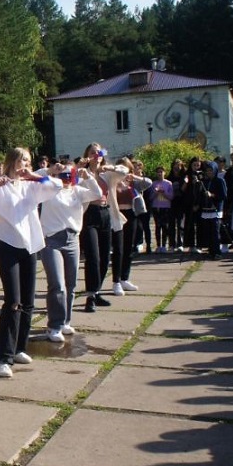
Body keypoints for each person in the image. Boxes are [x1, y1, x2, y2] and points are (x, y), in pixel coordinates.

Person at [0, 148, 62, 378]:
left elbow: (57, 186)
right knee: (13, 301)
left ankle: (19, 347)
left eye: (28, 161)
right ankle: (1, 357)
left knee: (28, 302)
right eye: (21, 161)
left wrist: (36, 176)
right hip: (6, 245)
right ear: (11, 162)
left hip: (29, 245)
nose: (25, 165)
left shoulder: (32, 186)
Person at [39, 163, 101, 343]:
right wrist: (51, 170)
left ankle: (66, 320)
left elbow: (97, 195)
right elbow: (33, 177)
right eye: (62, 175)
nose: (66, 179)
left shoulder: (78, 191)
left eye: (69, 176)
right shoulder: (49, 189)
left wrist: (88, 176)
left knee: (71, 283)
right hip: (51, 240)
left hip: (72, 239)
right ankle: (54, 325)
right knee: (57, 284)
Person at [79, 143, 128, 312]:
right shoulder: (83, 173)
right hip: (89, 215)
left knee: (105, 257)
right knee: (92, 257)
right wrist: (81, 168)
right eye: (92, 152)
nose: (96, 154)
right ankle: (90, 296)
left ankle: (97, 291)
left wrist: (107, 166)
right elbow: (72, 181)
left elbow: (125, 171)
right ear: (87, 155)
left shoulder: (107, 174)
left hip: (106, 214)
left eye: (98, 152)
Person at [111, 157, 151, 296]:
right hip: (117, 215)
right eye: (121, 167)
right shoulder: (113, 182)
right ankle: (116, 281)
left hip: (131, 215)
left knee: (129, 248)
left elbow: (149, 183)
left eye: (126, 168)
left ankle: (124, 278)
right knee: (118, 249)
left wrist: (134, 176)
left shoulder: (133, 183)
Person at [199, 161, 228, 259]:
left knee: (215, 232)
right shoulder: (204, 182)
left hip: (216, 210)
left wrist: (212, 195)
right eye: (207, 171)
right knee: (208, 232)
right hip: (206, 210)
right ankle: (211, 251)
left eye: (211, 170)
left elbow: (223, 196)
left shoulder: (220, 181)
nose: (209, 172)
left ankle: (217, 252)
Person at [181, 157, 205, 254]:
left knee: (200, 225)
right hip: (189, 203)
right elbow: (182, 189)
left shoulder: (202, 175)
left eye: (198, 165)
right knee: (189, 225)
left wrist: (198, 182)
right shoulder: (187, 175)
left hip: (200, 203)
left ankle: (200, 244)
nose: (196, 167)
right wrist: (187, 182)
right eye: (194, 165)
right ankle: (190, 245)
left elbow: (204, 189)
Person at [150, 166, 174, 253]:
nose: (160, 174)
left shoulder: (169, 183)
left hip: (166, 207)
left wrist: (164, 193)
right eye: (158, 172)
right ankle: (158, 245)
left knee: (165, 227)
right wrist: (156, 193)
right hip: (156, 207)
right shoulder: (153, 184)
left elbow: (171, 197)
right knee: (157, 226)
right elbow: (151, 197)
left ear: (164, 173)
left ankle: (164, 245)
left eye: (161, 172)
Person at [168, 158, 186, 251]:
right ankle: (171, 244)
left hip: (181, 203)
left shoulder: (184, 177)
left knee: (180, 224)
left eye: (179, 165)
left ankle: (180, 243)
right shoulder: (169, 177)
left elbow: (184, 190)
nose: (177, 167)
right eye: (175, 165)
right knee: (171, 224)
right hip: (171, 203)